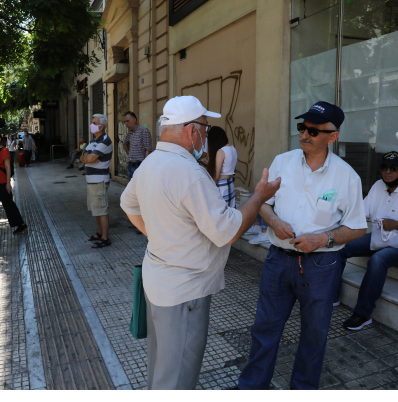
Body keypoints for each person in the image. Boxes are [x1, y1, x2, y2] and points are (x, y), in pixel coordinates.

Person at [120, 96, 281, 390]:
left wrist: (159, 236)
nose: (206, 136)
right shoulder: (189, 172)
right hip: (184, 290)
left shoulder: (150, 163)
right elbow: (228, 231)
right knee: (179, 375)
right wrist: (258, 198)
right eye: (205, 129)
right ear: (192, 130)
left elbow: (128, 204)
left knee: (162, 368)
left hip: (160, 283)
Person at [237, 101, 367, 390]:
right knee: (264, 328)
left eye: (313, 131)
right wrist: (273, 221)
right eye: (301, 128)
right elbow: (264, 204)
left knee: (314, 335)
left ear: (332, 136)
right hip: (277, 261)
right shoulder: (283, 162)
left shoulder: (347, 176)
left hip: (322, 266)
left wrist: (323, 239)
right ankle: (251, 388)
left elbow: (357, 226)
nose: (304, 135)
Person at [340, 151, 398, 330]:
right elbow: (361, 213)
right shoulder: (377, 187)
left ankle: (362, 313)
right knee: (341, 246)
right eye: (384, 167)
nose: (388, 171)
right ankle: (332, 296)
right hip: (380, 236)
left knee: (377, 260)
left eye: (394, 168)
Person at [80, 114, 113, 249]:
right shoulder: (93, 141)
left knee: (101, 209)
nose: (91, 125)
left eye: (94, 123)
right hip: (92, 181)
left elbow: (89, 157)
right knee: (96, 208)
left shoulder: (105, 141)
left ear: (101, 126)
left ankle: (105, 238)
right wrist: (87, 157)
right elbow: (83, 157)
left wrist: (88, 157)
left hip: (99, 180)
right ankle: (100, 233)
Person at [207, 126, 238, 208]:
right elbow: (227, 168)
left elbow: (216, 176)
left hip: (222, 185)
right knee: (230, 211)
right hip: (230, 183)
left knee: (220, 211)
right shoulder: (232, 148)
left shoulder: (221, 151)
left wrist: (209, 188)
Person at [122, 111, 152, 178]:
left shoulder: (144, 131)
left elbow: (148, 149)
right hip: (130, 165)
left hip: (139, 166)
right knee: (132, 187)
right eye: (125, 122)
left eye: (127, 121)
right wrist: (130, 154)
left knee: (140, 187)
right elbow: (124, 144)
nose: (126, 124)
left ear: (134, 120)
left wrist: (145, 166)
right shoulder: (130, 133)